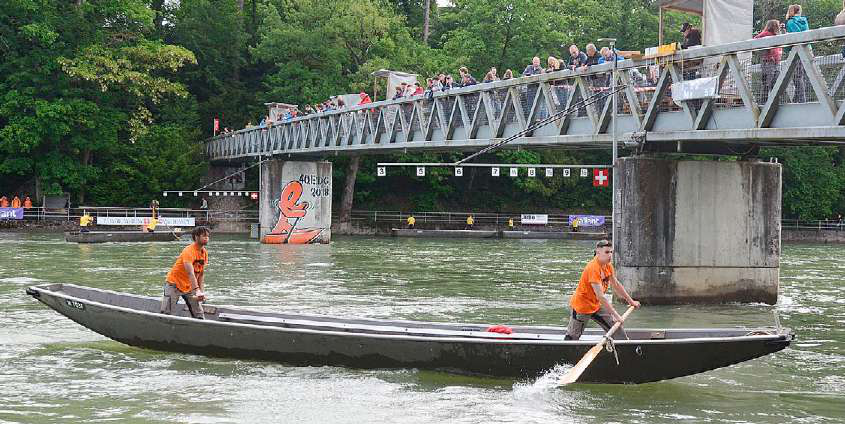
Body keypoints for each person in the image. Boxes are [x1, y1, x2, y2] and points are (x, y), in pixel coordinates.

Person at [564, 240, 641, 340]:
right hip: (582, 307)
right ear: (598, 252)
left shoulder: (608, 266)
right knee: (572, 337)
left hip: (596, 305)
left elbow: (616, 284)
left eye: (611, 252)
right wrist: (616, 315)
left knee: (617, 329)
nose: (610, 255)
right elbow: (601, 296)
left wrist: (631, 301)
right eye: (607, 252)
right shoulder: (593, 268)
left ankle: (623, 345)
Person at [161, 226, 210, 319]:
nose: (207, 238)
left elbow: (201, 274)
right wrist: (196, 290)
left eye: (208, 236)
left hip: (189, 286)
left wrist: (201, 292)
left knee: (199, 314)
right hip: (174, 284)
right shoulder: (188, 251)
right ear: (196, 237)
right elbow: (190, 273)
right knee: (166, 313)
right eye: (204, 236)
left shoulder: (204, 253)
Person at [754, 20, 783, 104]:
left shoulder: (777, 35)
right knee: (767, 82)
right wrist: (766, 50)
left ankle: (775, 102)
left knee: (776, 82)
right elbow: (755, 39)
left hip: (777, 62)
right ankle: (764, 102)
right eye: (777, 25)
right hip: (768, 62)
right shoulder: (766, 33)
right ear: (773, 26)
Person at [785, 4, 809, 103]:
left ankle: (801, 100)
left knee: (797, 76)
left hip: (797, 51)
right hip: (807, 49)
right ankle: (796, 99)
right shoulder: (804, 20)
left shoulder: (790, 22)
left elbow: (795, 36)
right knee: (799, 75)